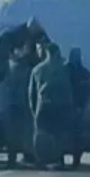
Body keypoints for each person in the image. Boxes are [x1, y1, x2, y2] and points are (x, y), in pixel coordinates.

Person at [29, 41, 72, 169]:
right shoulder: (63, 69)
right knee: (58, 135)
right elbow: (67, 90)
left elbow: (31, 94)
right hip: (60, 107)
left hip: (43, 106)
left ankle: (42, 159)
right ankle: (58, 159)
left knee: (42, 134)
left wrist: (33, 109)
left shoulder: (37, 70)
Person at [5, 37, 36, 168]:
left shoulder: (13, 66)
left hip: (15, 103)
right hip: (22, 103)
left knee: (15, 132)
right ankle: (23, 155)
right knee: (23, 131)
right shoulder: (24, 67)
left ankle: (13, 157)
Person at [65, 47, 90, 169]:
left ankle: (76, 159)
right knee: (66, 134)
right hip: (67, 106)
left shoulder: (82, 72)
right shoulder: (66, 70)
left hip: (78, 106)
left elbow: (88, 85)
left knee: (77, 134)